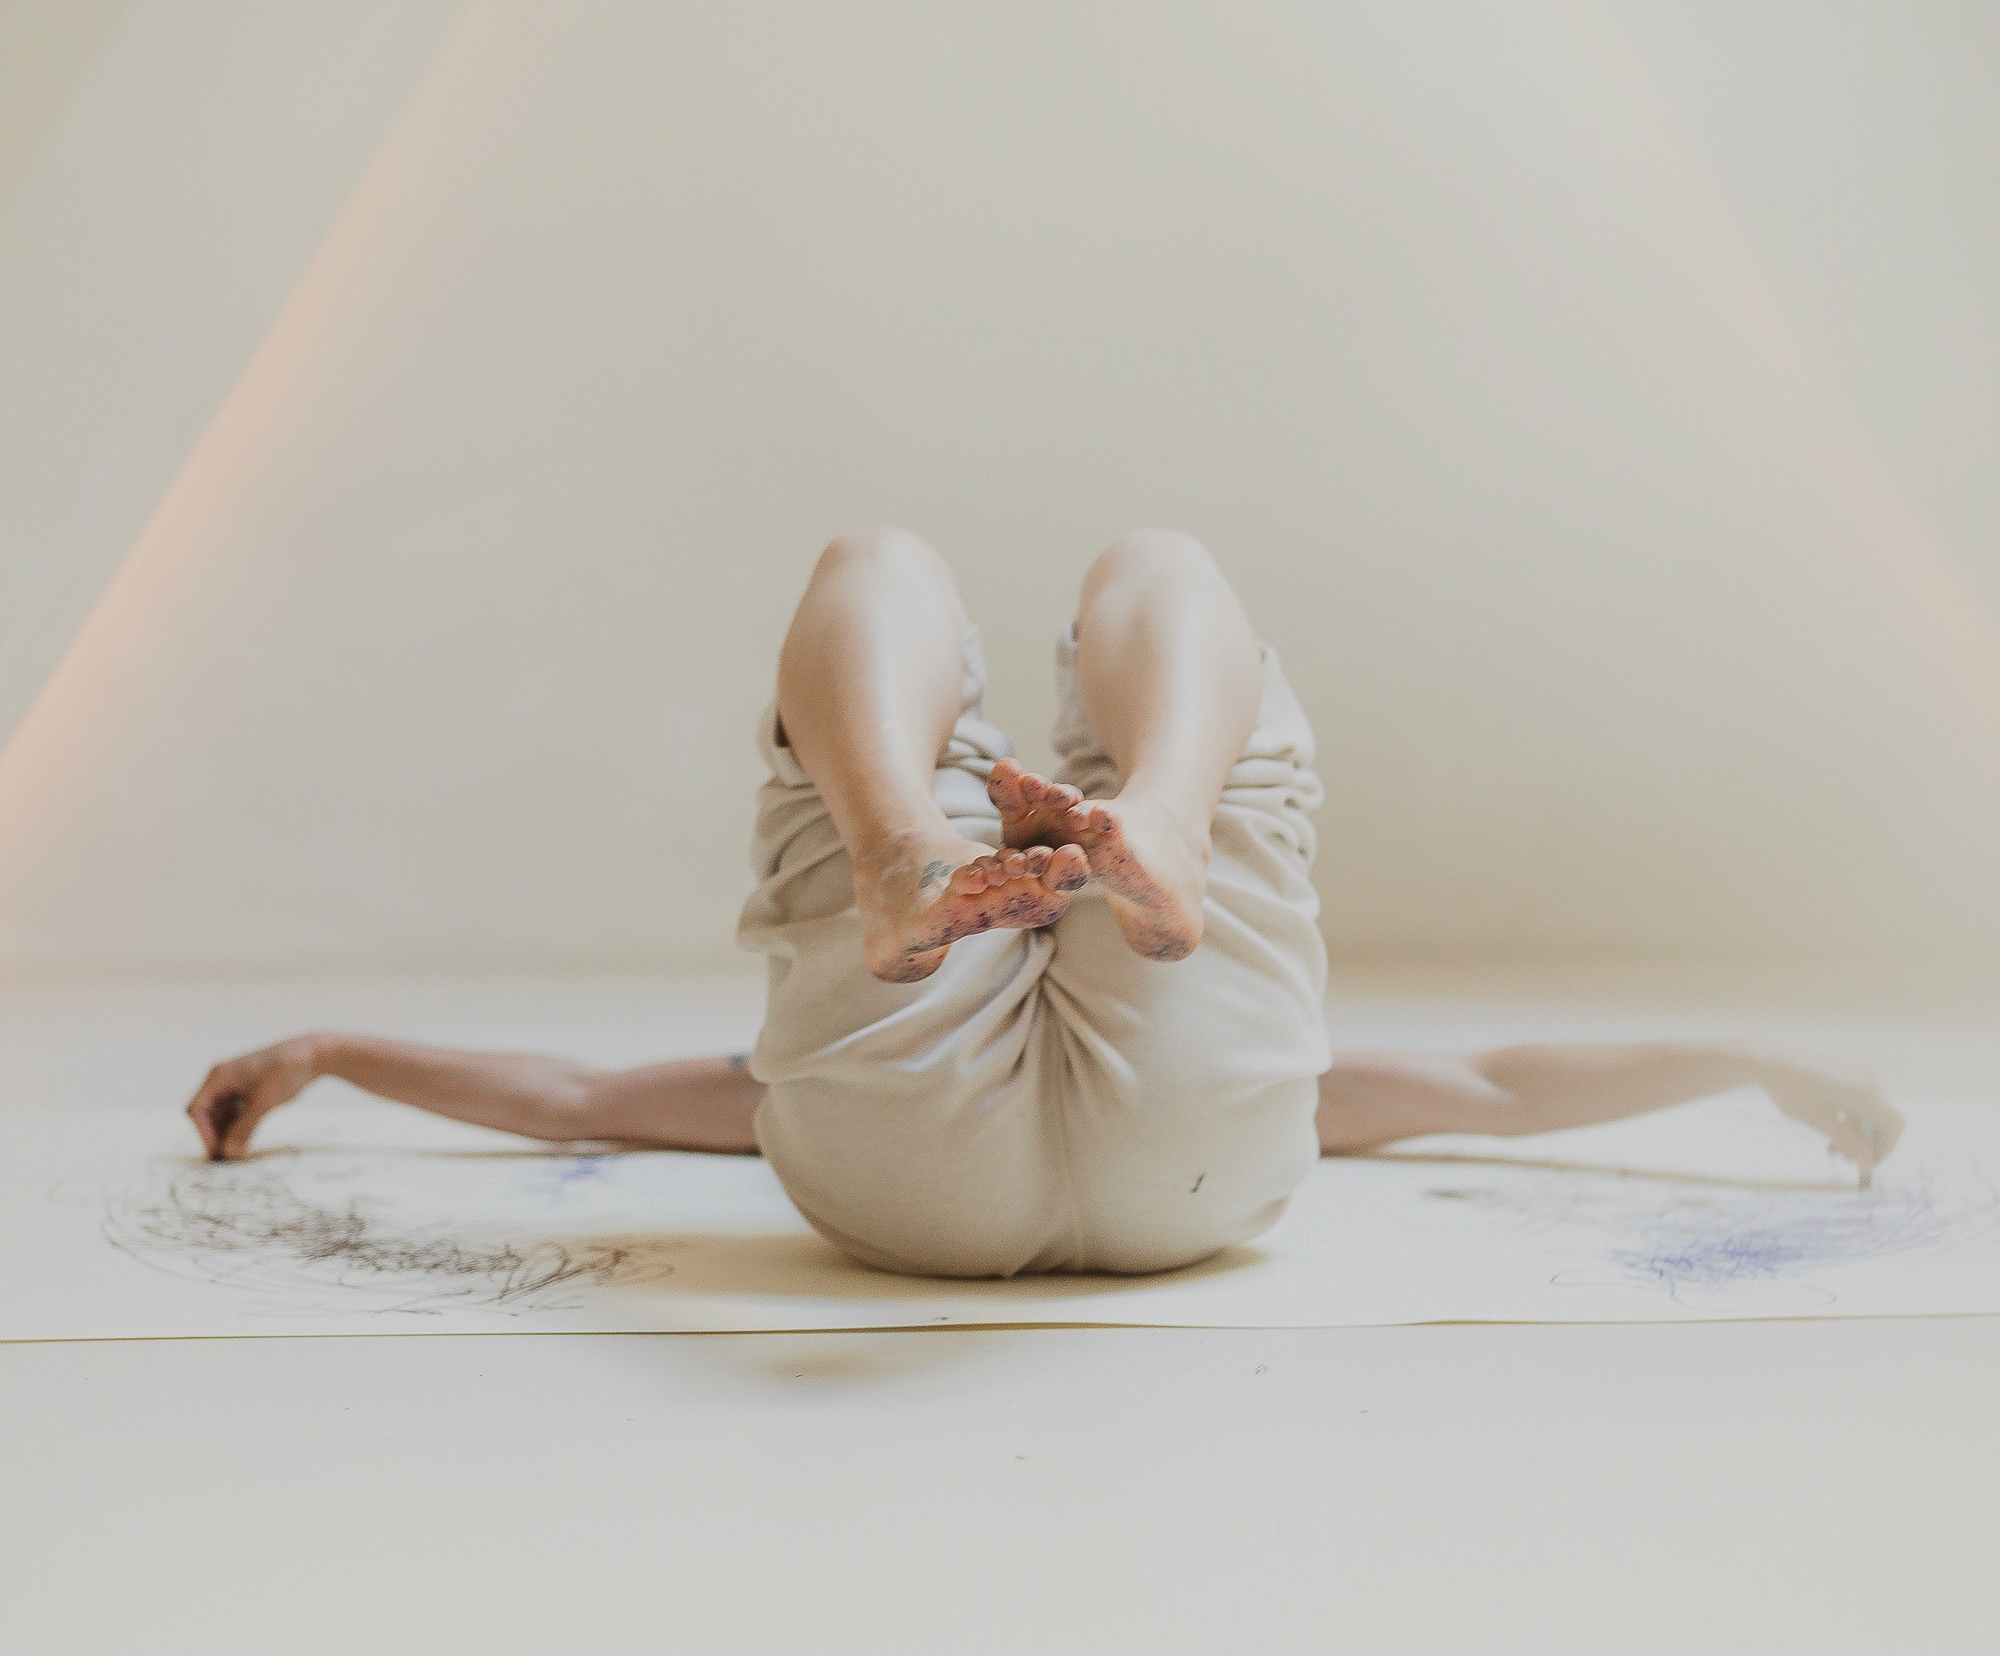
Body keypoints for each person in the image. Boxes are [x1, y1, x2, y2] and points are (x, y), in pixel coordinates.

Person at [187, 529, 1902, 1272]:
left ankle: (897, 848)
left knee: (880, 571)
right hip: (1201, 1186)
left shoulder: (779, 1108)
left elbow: (568, 1100)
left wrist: (334, 1049)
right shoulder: (1293, 1102)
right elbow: (1507, 1099)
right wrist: (1749, 1056)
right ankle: (1154, 809)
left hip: (889, 1193)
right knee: (1158, 569)